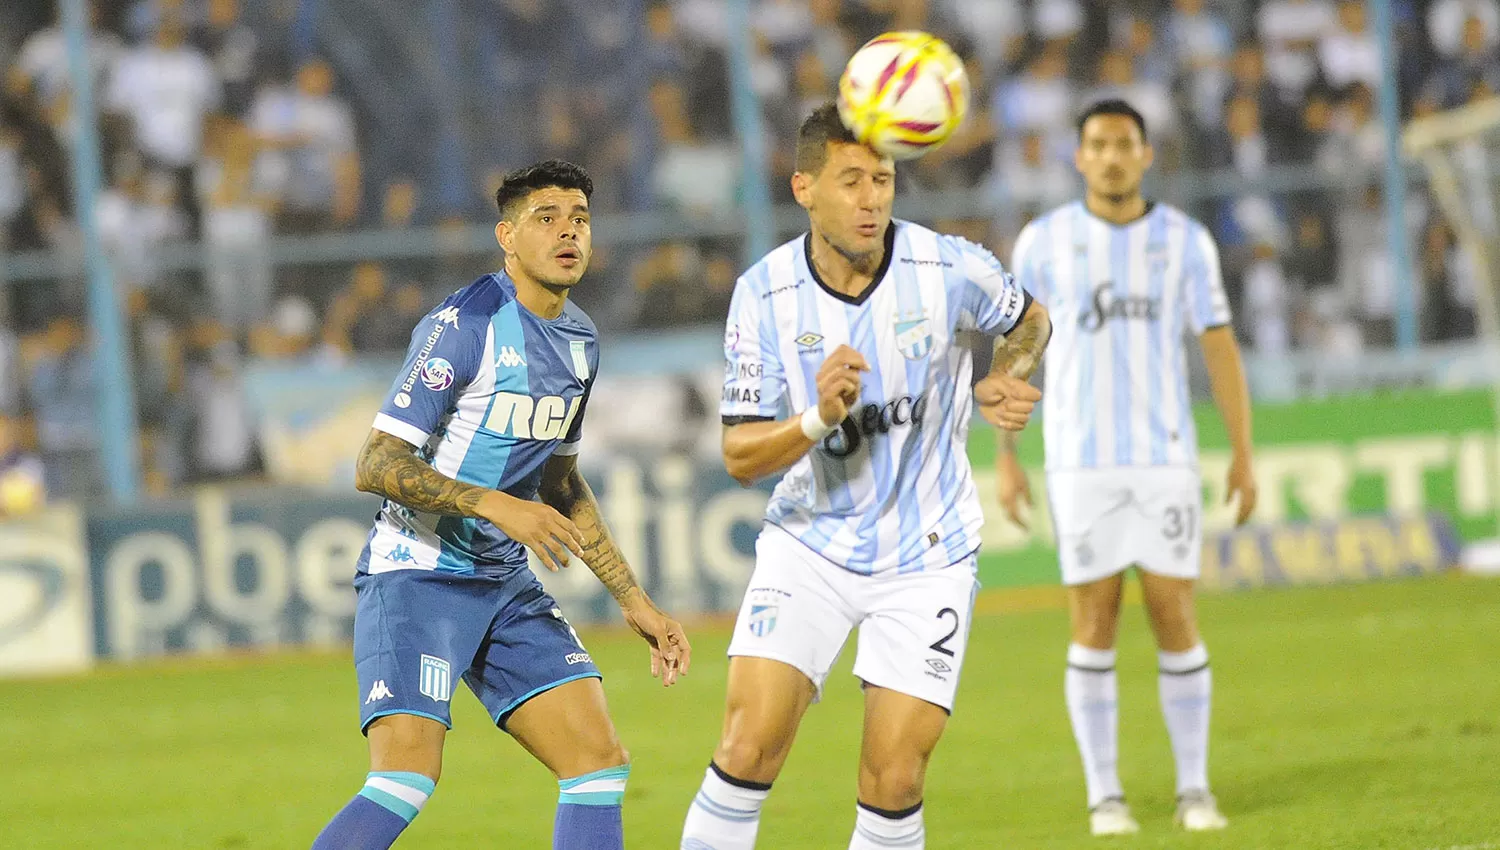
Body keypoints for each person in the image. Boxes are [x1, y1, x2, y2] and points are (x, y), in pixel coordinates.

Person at [680, 104, 1053, 850]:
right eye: (851, 181)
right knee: (748, 747)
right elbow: (739, 455)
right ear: (803, 188)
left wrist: (1006, 376)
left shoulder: (951, 267)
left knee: (895, 780)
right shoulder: (764, 293)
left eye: (882, 179)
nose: (872, 198)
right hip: (809, 546)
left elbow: (1031, 321)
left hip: (929, 554)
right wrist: (815, 418)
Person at [312, 160, 691, 850]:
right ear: (507, 238)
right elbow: (375, 463)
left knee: (597, 763)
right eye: (546, 218)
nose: (568, 231)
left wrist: (635, 600)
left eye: (579, 218)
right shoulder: (465, 323)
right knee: (405, 779)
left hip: (502, 582)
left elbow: (562, 483)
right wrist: (493, 505)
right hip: (418, 573)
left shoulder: (580, 341)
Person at [1000, 99, 1258, 836]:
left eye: (1124, 144)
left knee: (1178, 615)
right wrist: (1010, 457)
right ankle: (1105, 796)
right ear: (1078, 157)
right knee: (1093, 623)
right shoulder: (1043, 243)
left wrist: (1243, 452)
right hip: (1079, 462)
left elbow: (1219, 349)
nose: (1111, 156)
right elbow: (1018, 352)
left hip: (1165, 460)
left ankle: (1194, 789)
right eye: (1097, 145)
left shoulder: (1185, 241)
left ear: (1147, 155)